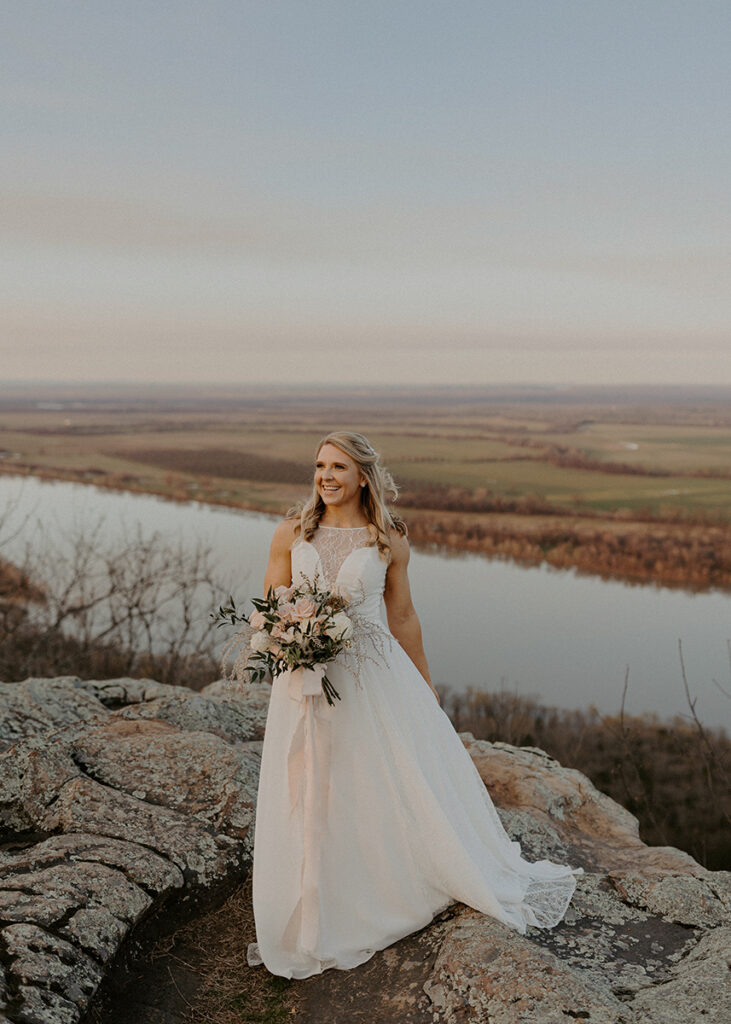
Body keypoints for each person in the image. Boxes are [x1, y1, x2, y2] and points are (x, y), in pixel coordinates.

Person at [247, 430, 582, 979]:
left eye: (338, 467)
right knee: (310, 783)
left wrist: (425, 690)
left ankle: (376, 886)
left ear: (363, 476)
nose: (325, 477)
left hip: (373, 679)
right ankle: (311, 901)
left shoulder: (388, 540)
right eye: (319, 466)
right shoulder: (290, 532)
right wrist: (286, 644)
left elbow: (402, 617)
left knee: (374, 780)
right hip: (304, 681)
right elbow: (271, 602)